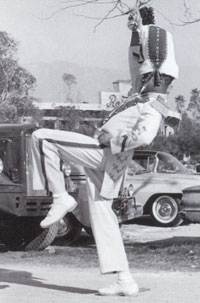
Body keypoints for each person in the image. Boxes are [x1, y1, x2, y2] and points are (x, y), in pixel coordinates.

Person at [31, 6, 178, 297]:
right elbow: (140, 59)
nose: (142, 76)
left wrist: (110, 141)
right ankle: (125, 280)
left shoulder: (153, 103)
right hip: (112, 167)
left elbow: (145, 136)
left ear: (158, 77)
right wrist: (139, 29)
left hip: (105, 155)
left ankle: (60, 197)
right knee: (102, 215)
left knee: (42, 137)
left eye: (149, 75)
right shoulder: (144, 94)